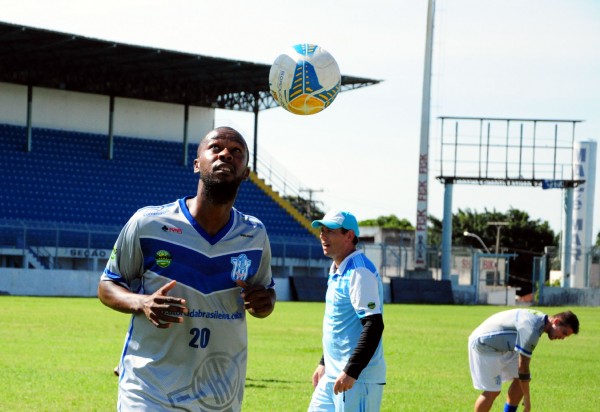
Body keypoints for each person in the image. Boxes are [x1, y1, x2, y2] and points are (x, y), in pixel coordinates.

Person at [98, 126, 276, 411]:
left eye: (236, 151)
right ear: (197, 164)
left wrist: (265, 303)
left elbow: (265, 298)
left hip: (219, 391)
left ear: (246, 172)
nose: (226, 154)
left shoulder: (255, 234)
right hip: (149, 388)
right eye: (216, 148)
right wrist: (143, 302)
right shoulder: (148, 223)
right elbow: (107, 285)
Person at [308, 209, 386, 412]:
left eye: (330, 231)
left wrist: (352, 371)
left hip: (357, 379)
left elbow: (374, 324)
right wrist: (324, 362)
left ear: (349, 236)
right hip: (332, 376)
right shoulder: (337, 269)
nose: (323, 235)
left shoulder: (359, 271)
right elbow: (337, 324)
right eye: (321, 230)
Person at [468, 308, 579, 412]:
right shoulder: (532, 330)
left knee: (521, 381)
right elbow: (523, 368)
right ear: (556, 321)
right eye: (564, 333)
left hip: (504, 345)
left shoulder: (541, 320)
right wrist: (527, 400)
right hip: (484, 344)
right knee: (493, 391)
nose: (562, 338)